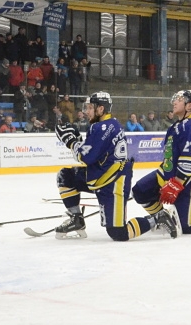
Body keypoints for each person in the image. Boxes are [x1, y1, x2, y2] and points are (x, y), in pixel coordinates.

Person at [51, 92, 147, 241]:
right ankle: (77, 219)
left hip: (114, 182)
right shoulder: (105, 125)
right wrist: (77, 140)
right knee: (66, 176)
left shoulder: (104, 127)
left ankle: (158, 218)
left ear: (101, 109)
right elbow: (94, 151)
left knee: (118, 232)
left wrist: (70, 141)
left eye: (90, 108)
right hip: (101, 175)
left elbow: (86, 157)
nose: (86, 111)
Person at [131, 89, 191, 237]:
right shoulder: (176, 126)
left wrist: (176, 184)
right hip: (168, 175)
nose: (174, 102)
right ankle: (163, 218)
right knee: (140, 191)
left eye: (180, 100)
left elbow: (190, 160)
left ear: (189, 106)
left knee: (187, 227)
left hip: (188, 181)